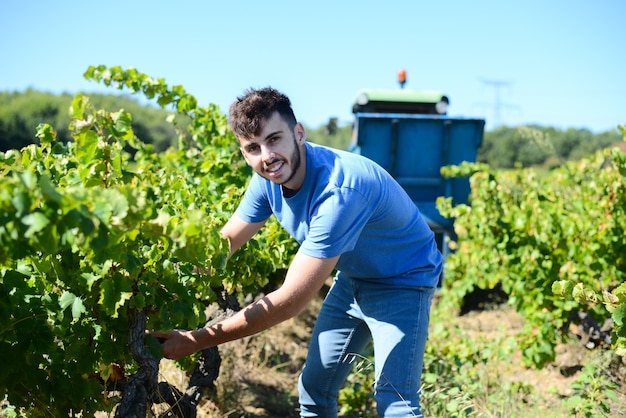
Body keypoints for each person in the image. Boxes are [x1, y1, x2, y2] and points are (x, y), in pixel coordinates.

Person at [153, 87, 442, 417]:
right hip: (354, 278)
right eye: (253, 148)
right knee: (314, 391)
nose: (266, 156)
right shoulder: (267, 178)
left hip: (404, 281)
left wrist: (197, 340)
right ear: (244, 153)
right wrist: (166, 283)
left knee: (396, 403)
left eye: (274, 139)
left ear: (298, 133)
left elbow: (289, 301)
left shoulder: (339, 193)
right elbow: (227, 242)